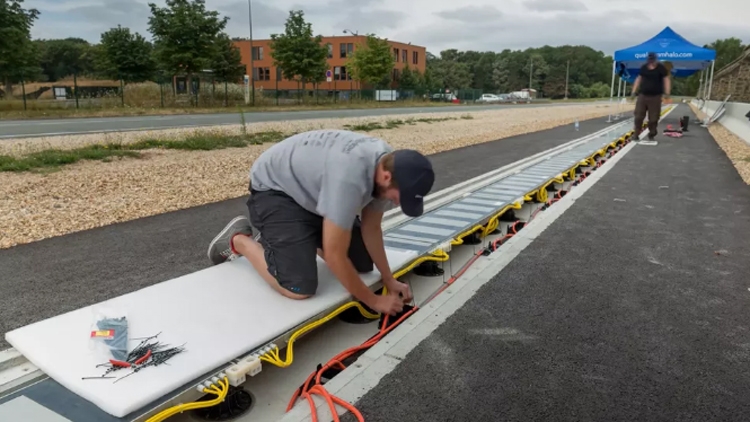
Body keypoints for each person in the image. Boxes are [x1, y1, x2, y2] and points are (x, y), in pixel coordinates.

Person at [207, 129, 435, 316]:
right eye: (400, 197)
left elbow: (372, 228)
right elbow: (335, 255)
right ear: (386, 177)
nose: (397, 203)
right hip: (277, 191)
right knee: (298, 288)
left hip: (313, 194)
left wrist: (389, 279)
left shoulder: (388, 167)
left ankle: (287, 242)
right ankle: (240, 240)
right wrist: (373, 301)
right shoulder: (349, 178)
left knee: (363, 265)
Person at [631, 52, 671, 141]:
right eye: (650, 60)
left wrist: (667, 93)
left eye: (652, 60)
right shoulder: (644, 67)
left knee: (653, 118)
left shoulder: (661, 68)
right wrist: (634, 91)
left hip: (655, 96)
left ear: (656, 60)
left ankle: (652, 134)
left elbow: (666, 80)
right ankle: (636, 134)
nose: (651, 62)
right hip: (643, 95)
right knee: (638, 116)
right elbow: (639, 78)